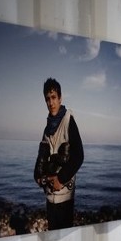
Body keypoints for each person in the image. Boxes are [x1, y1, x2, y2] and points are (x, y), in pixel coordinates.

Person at [34, 77, 84, 230]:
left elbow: (79, 155)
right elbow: (41, 157)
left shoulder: (69, 120)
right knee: (52, 237)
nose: (51, 102)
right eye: (47, 99)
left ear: (60, 98)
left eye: (54, 97)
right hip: (49, 197)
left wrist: (61, 179)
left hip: (65, 197)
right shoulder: (47, 129)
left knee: (65, 239)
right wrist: (37, 175)